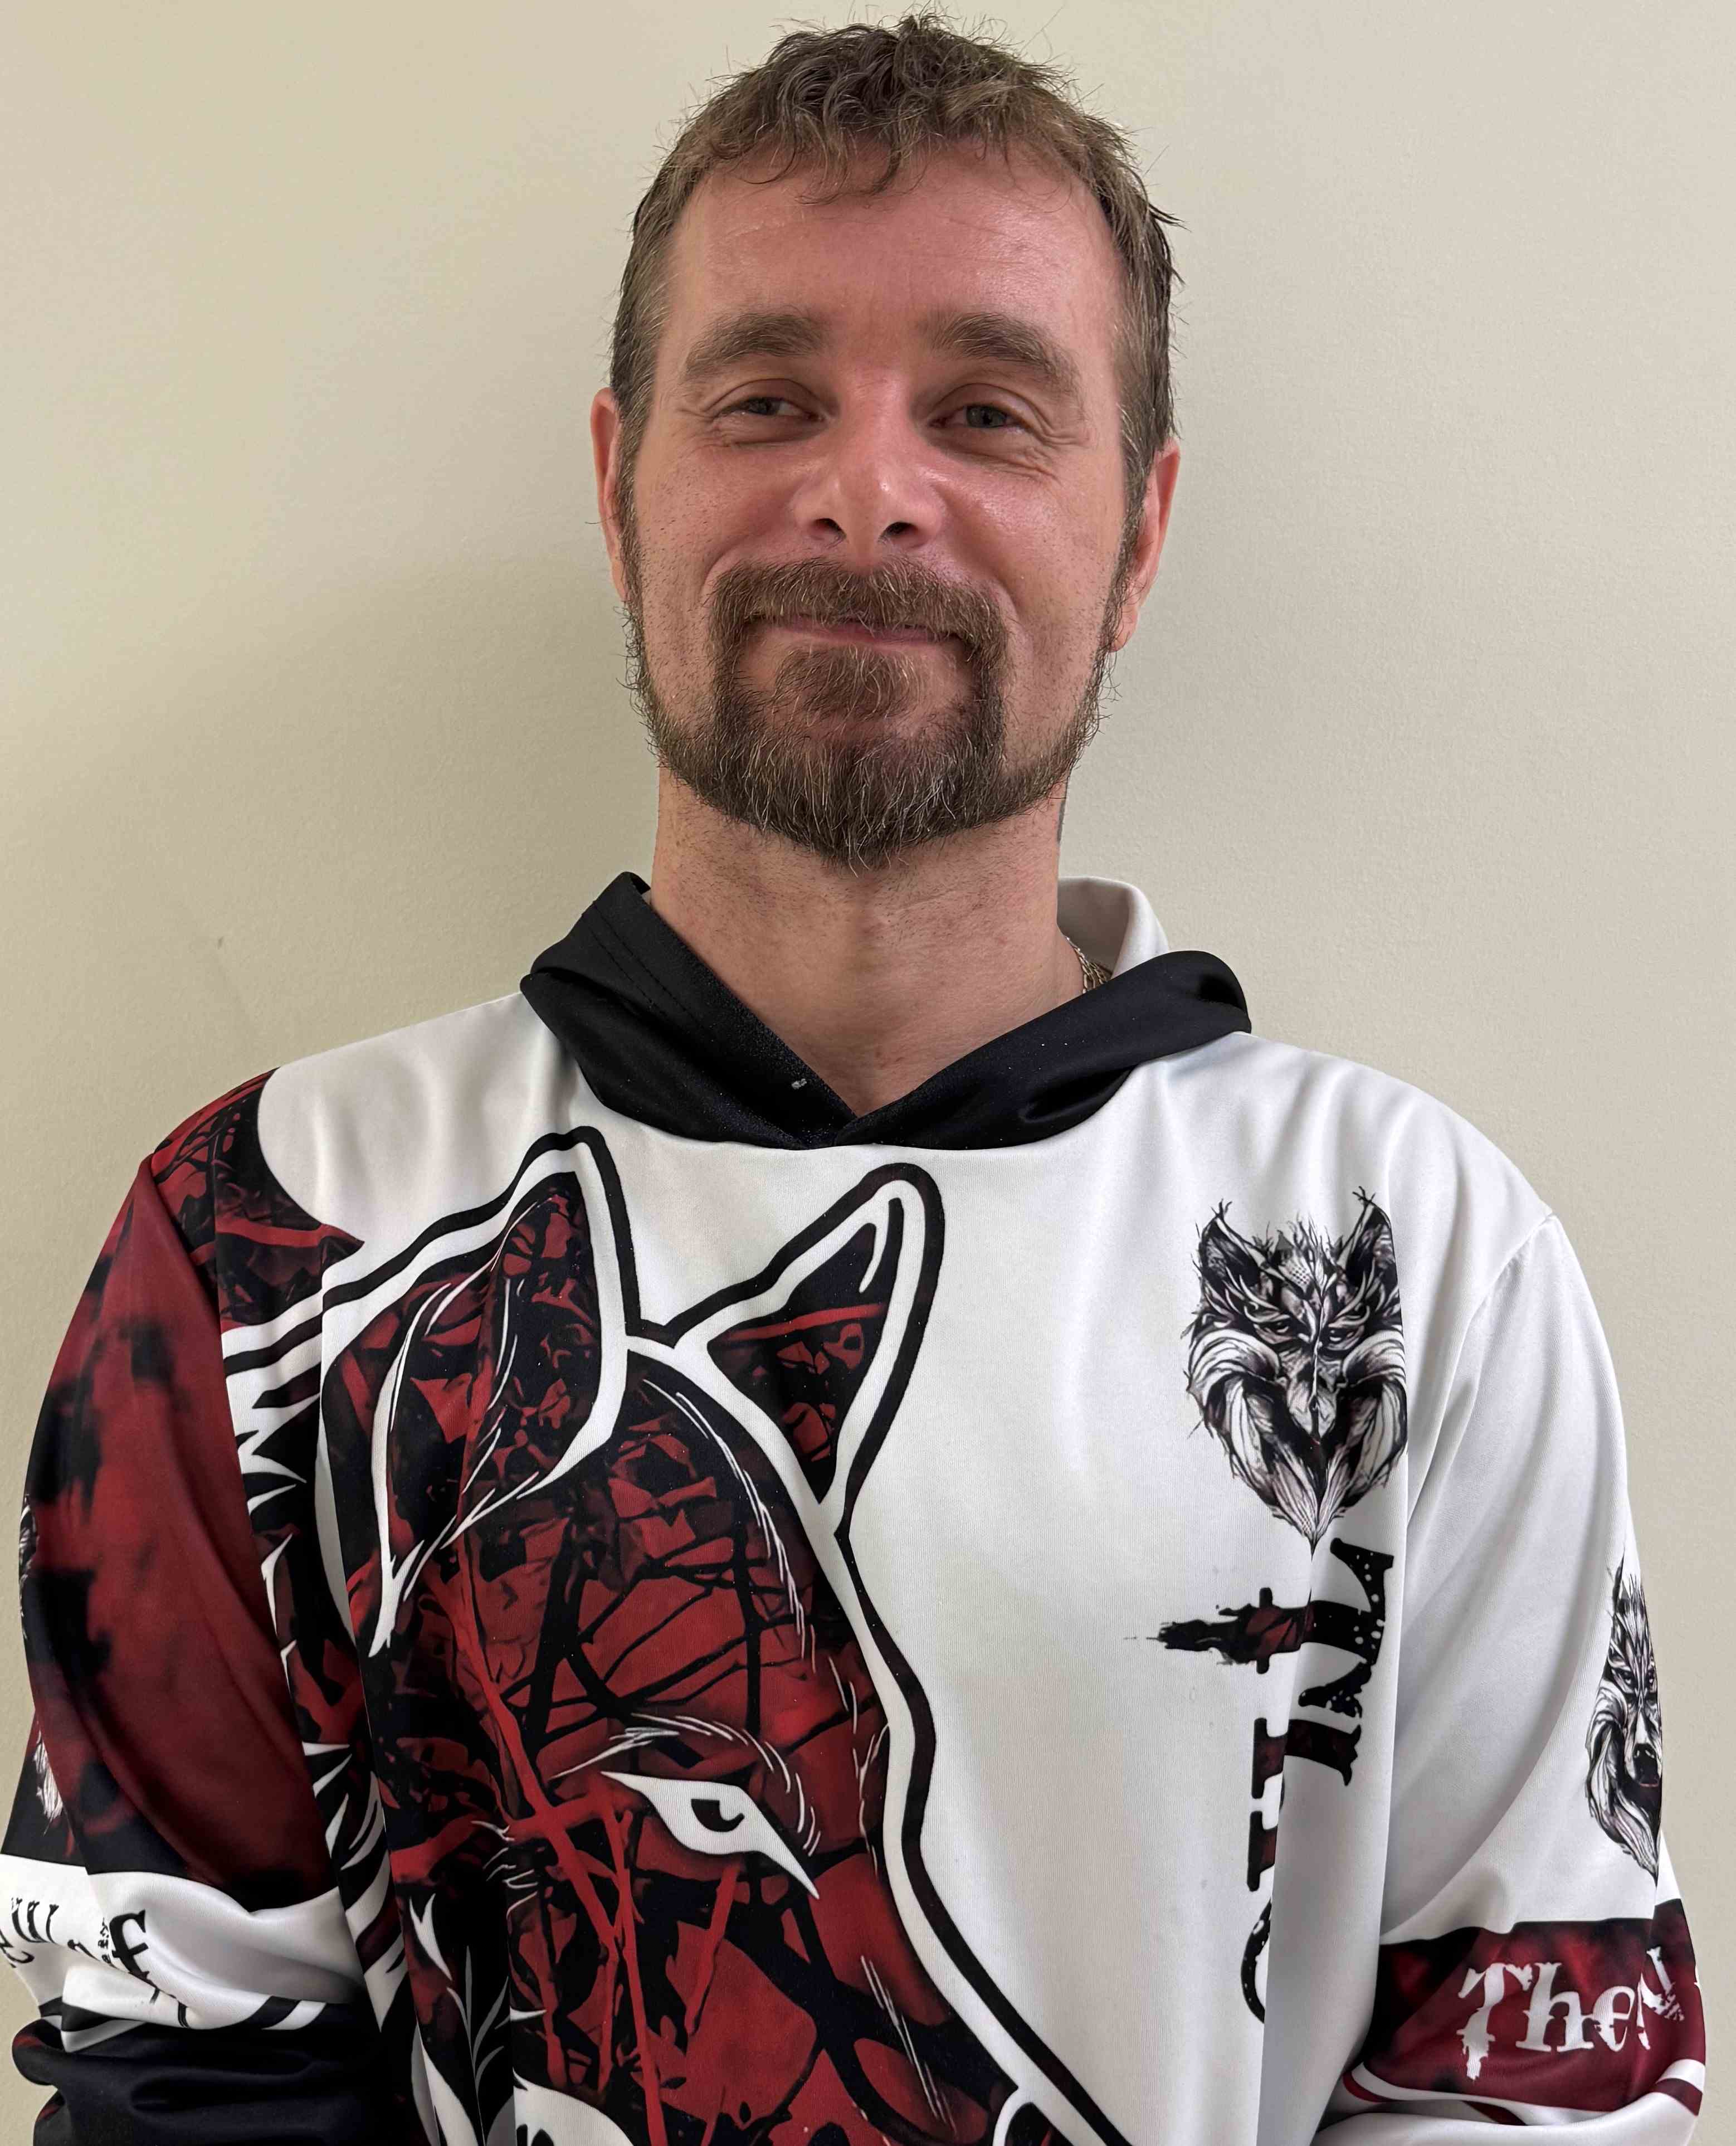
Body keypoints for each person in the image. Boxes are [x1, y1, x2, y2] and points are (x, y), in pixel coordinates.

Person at [0, 13, 1704, 2143]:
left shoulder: (1414, 1253)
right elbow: (177, 2065)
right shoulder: (267, 1228)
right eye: (766, 399)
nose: (868, 490)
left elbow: (1538, 2065)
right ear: (618, 484)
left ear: (1139, 530)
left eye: (986, 411)